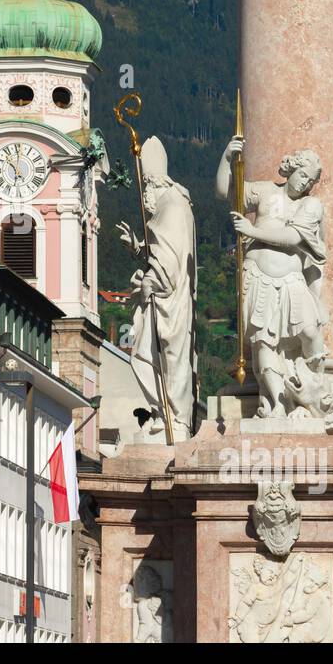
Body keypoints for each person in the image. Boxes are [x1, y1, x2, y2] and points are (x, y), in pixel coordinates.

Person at [216, 136, 332, 419]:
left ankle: (314, 387)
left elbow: (292, 237)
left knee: (309, 330)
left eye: (310, 181)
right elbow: (226, 192)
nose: (305, 183)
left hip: (291, 279)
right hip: (258, 277)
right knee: (263, 341)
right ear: (290, 169)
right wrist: (226, 157)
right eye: (302, 175)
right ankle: (277, 403)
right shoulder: (266, 191)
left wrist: (251, 231)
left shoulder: (310, 206)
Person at [118, 137, 196, 439]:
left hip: (170, 300)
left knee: (171, 356)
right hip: (161, 297)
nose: (144, 198)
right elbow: (162, 248)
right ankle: (165, 414)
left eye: (145, 187)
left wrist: (149, 282)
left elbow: (171, 261)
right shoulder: (165, 207)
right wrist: (139, 248)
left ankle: (175, 418)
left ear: (152, 184)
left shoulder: (173, 206)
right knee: (150, 352)